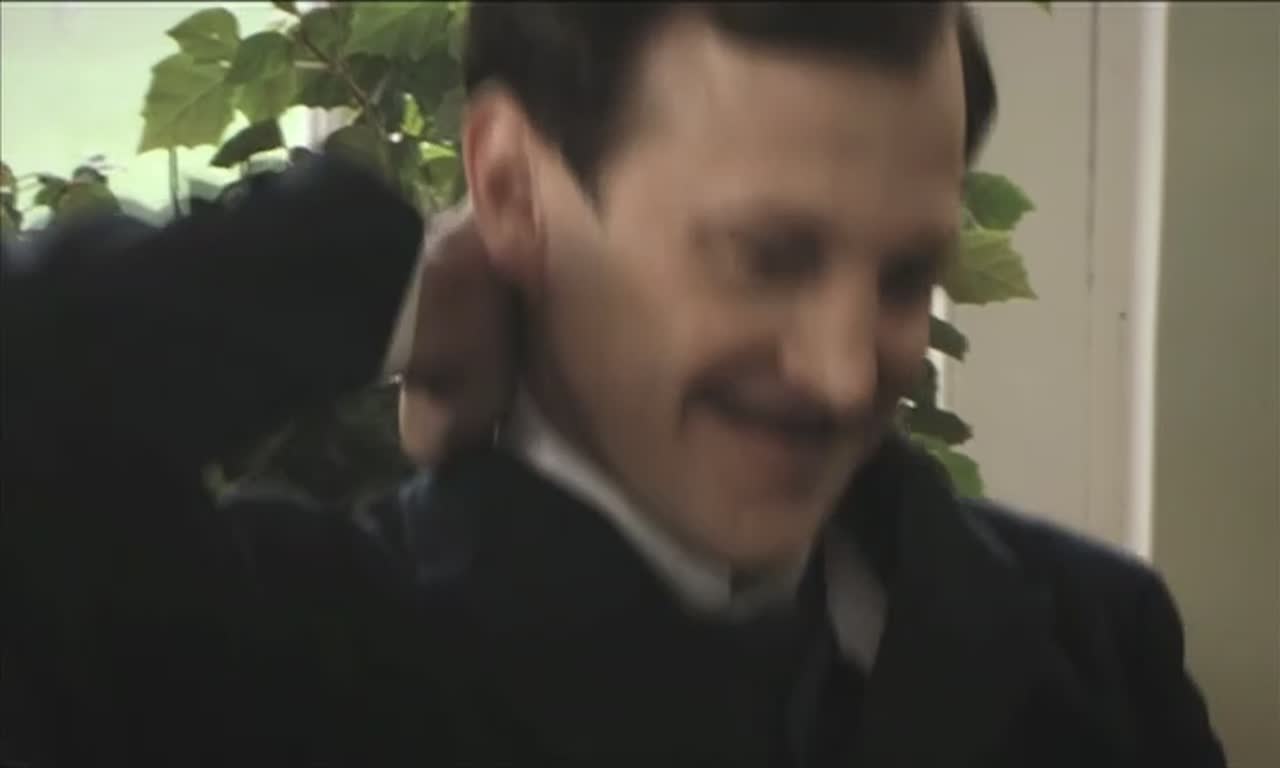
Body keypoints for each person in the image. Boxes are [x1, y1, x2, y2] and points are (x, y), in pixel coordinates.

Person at [1, 3, 1225, 767]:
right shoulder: (264, 660)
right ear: (513, 190)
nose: (847, 371)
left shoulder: (1091, 637)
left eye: (905, 275)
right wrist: (379, 279)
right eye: (766, 256)